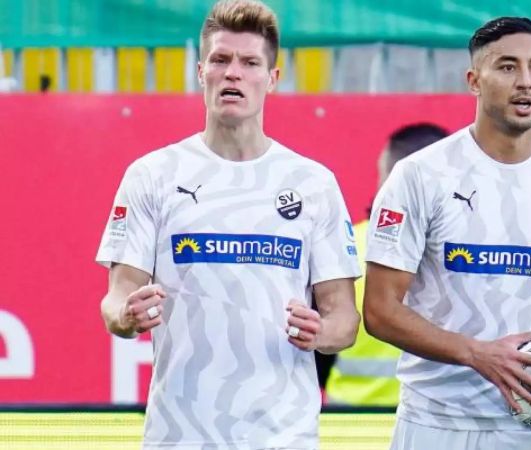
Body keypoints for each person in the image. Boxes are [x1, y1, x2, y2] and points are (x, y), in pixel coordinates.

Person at [95, 1, 361, 448]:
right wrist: (125, 314)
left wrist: (321, 332)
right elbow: (116, 299)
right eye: (220, 60)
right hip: (179, 435)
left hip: (283, 436)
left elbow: (345, 320)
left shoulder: (313, 183)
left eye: (249, 62)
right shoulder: (153, 175)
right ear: (202, 72)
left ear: (272, 78)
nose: (232, 73)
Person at [363, 17, 531, 450]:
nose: (525, 81)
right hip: (436, 422)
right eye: (507, 67)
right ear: (474, 80)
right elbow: (379, 310)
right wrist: (476, 353)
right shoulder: (419, 176)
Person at [326, 123, 449, 407]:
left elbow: (319, 348)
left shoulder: (347, 244)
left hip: (348, 423)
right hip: (436, 419)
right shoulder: (468, 254)